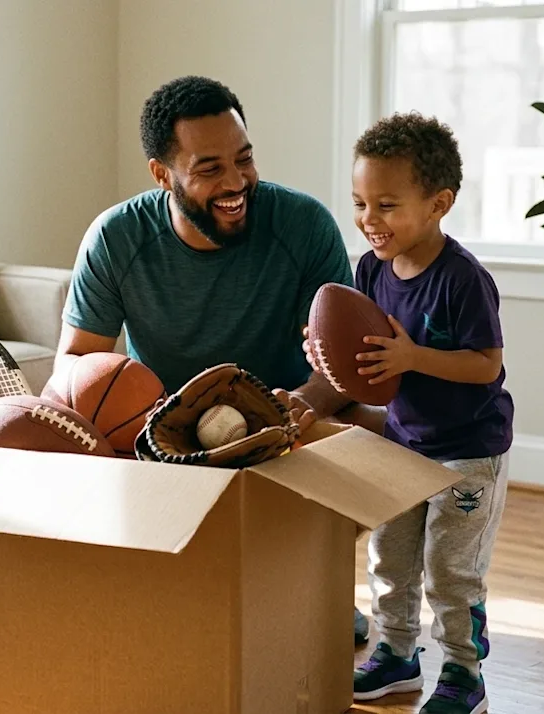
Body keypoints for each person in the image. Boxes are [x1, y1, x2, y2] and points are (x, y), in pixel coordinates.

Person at [50, 75, 373, 644]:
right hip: (161, 436)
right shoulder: (116, 238)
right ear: (162, 174)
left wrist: (302, 402)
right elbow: (76, 360)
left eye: (243, 160)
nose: (236, 182)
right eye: (209, 169)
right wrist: (87, 417)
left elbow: (338, 365)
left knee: (378, 431)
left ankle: (313, 582)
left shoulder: (303, 224)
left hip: (280, 428)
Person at [300, 113, 513, 713]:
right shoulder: (369, 270)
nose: (369, 219)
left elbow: (485, 366)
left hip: (469, 451)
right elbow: (357, 353)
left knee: (450, 570)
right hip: (403, 443)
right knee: (389, 557)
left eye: (387, 205)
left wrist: (414, 356)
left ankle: (465, 675)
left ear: (438, 203)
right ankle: (396, 656)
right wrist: (319, 347)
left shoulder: (463, 278)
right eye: (360, 202)